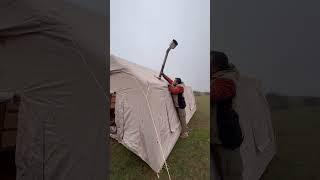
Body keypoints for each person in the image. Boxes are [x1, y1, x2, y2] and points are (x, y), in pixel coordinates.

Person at [211, 51, 243, 180]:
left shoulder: (227, 79)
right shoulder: (217, 77)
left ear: (216, 66)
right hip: (217, 136)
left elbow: (213, 95)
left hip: (225, 137)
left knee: (232, 174)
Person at [161, 72, 189, 138]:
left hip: (181, 106)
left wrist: (169, 86)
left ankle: (185, 133)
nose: (173, 81)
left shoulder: (180, 87)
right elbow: (170, 80)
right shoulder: (175, 85)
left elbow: (174, 91)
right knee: (181, 118)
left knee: (182, 119)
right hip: (178, 105)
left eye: (174, 81)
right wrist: (164, 75)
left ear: (177, 82)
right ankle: (185, 129)